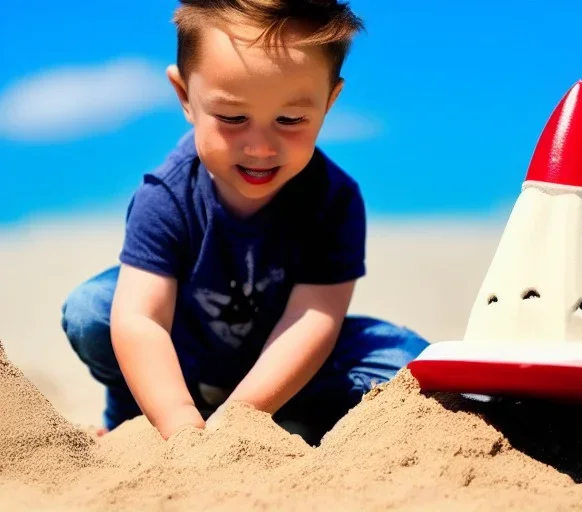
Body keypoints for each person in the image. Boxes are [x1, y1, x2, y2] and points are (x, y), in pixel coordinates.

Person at [60, 0, 429, 445]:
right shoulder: (167, 196)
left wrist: (239, 418)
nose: (259, 146)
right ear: (185, 98)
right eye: (233, 118)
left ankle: (301, 421)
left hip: (288, 363)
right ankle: (136, 417)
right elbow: (143, 319)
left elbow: (313, 320)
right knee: (95, 310)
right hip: (186, 359)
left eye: (290, 119)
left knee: (408, 362)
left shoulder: (335, 199)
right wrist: (182, 428)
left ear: (329, 102)